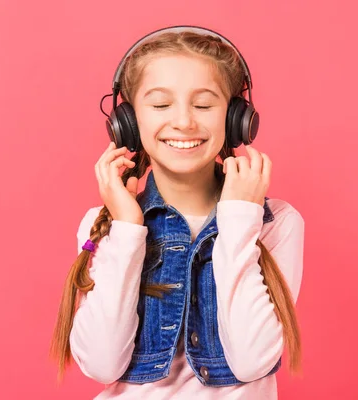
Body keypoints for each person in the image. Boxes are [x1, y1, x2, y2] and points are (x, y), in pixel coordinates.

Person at [50, 25, 305, 399]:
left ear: (237, 118)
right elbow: (102, 363)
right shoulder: (104, 225)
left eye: (203, 105)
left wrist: (238, 220)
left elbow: (251, 360)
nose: (184, 121)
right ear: (128, 123)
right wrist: (126, 229)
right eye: (160, 105)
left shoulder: (275, 222)